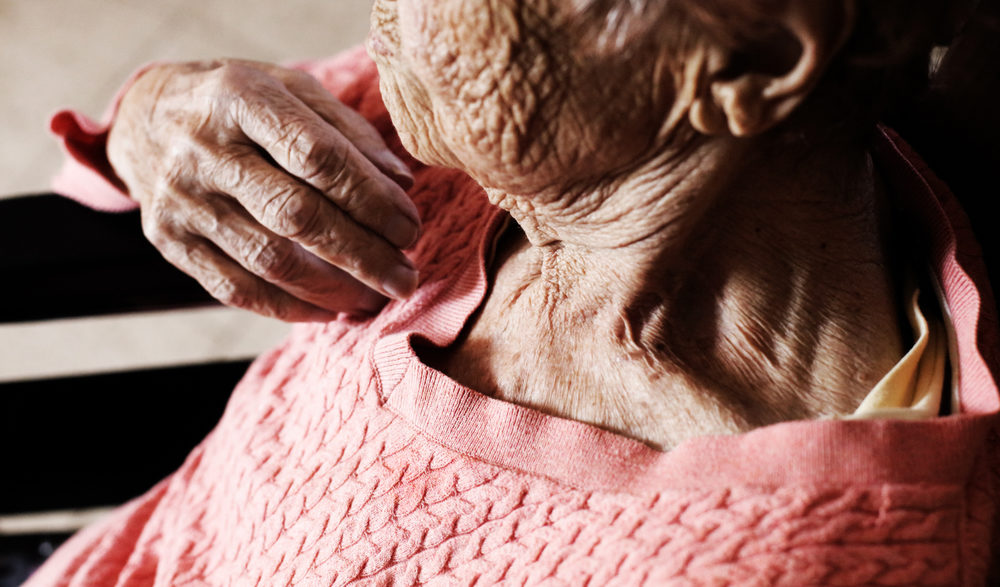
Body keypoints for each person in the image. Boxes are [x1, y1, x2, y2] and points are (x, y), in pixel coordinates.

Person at [30, 0, 1000, 583]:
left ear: (752, 62)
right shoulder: (519, 136)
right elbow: (153, 142)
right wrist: (156, 117)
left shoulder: (781, 551)